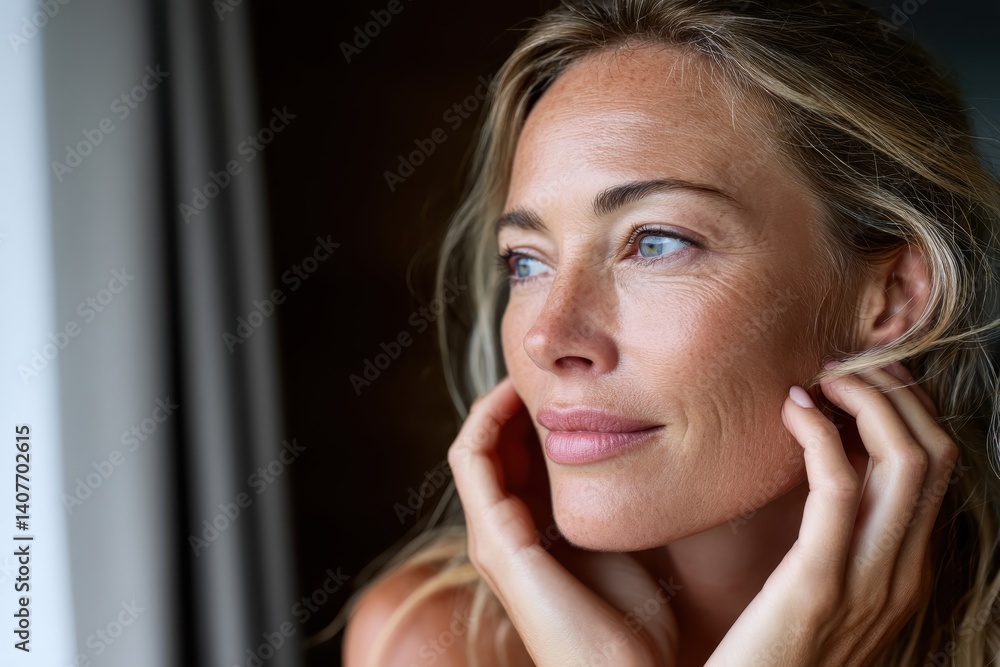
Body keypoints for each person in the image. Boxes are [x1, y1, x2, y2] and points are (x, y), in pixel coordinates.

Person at [341, 1, 1000, 664]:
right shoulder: (436, 642)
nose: (548, 336)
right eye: (527, 260)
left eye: (655, 242)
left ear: (891, 297)